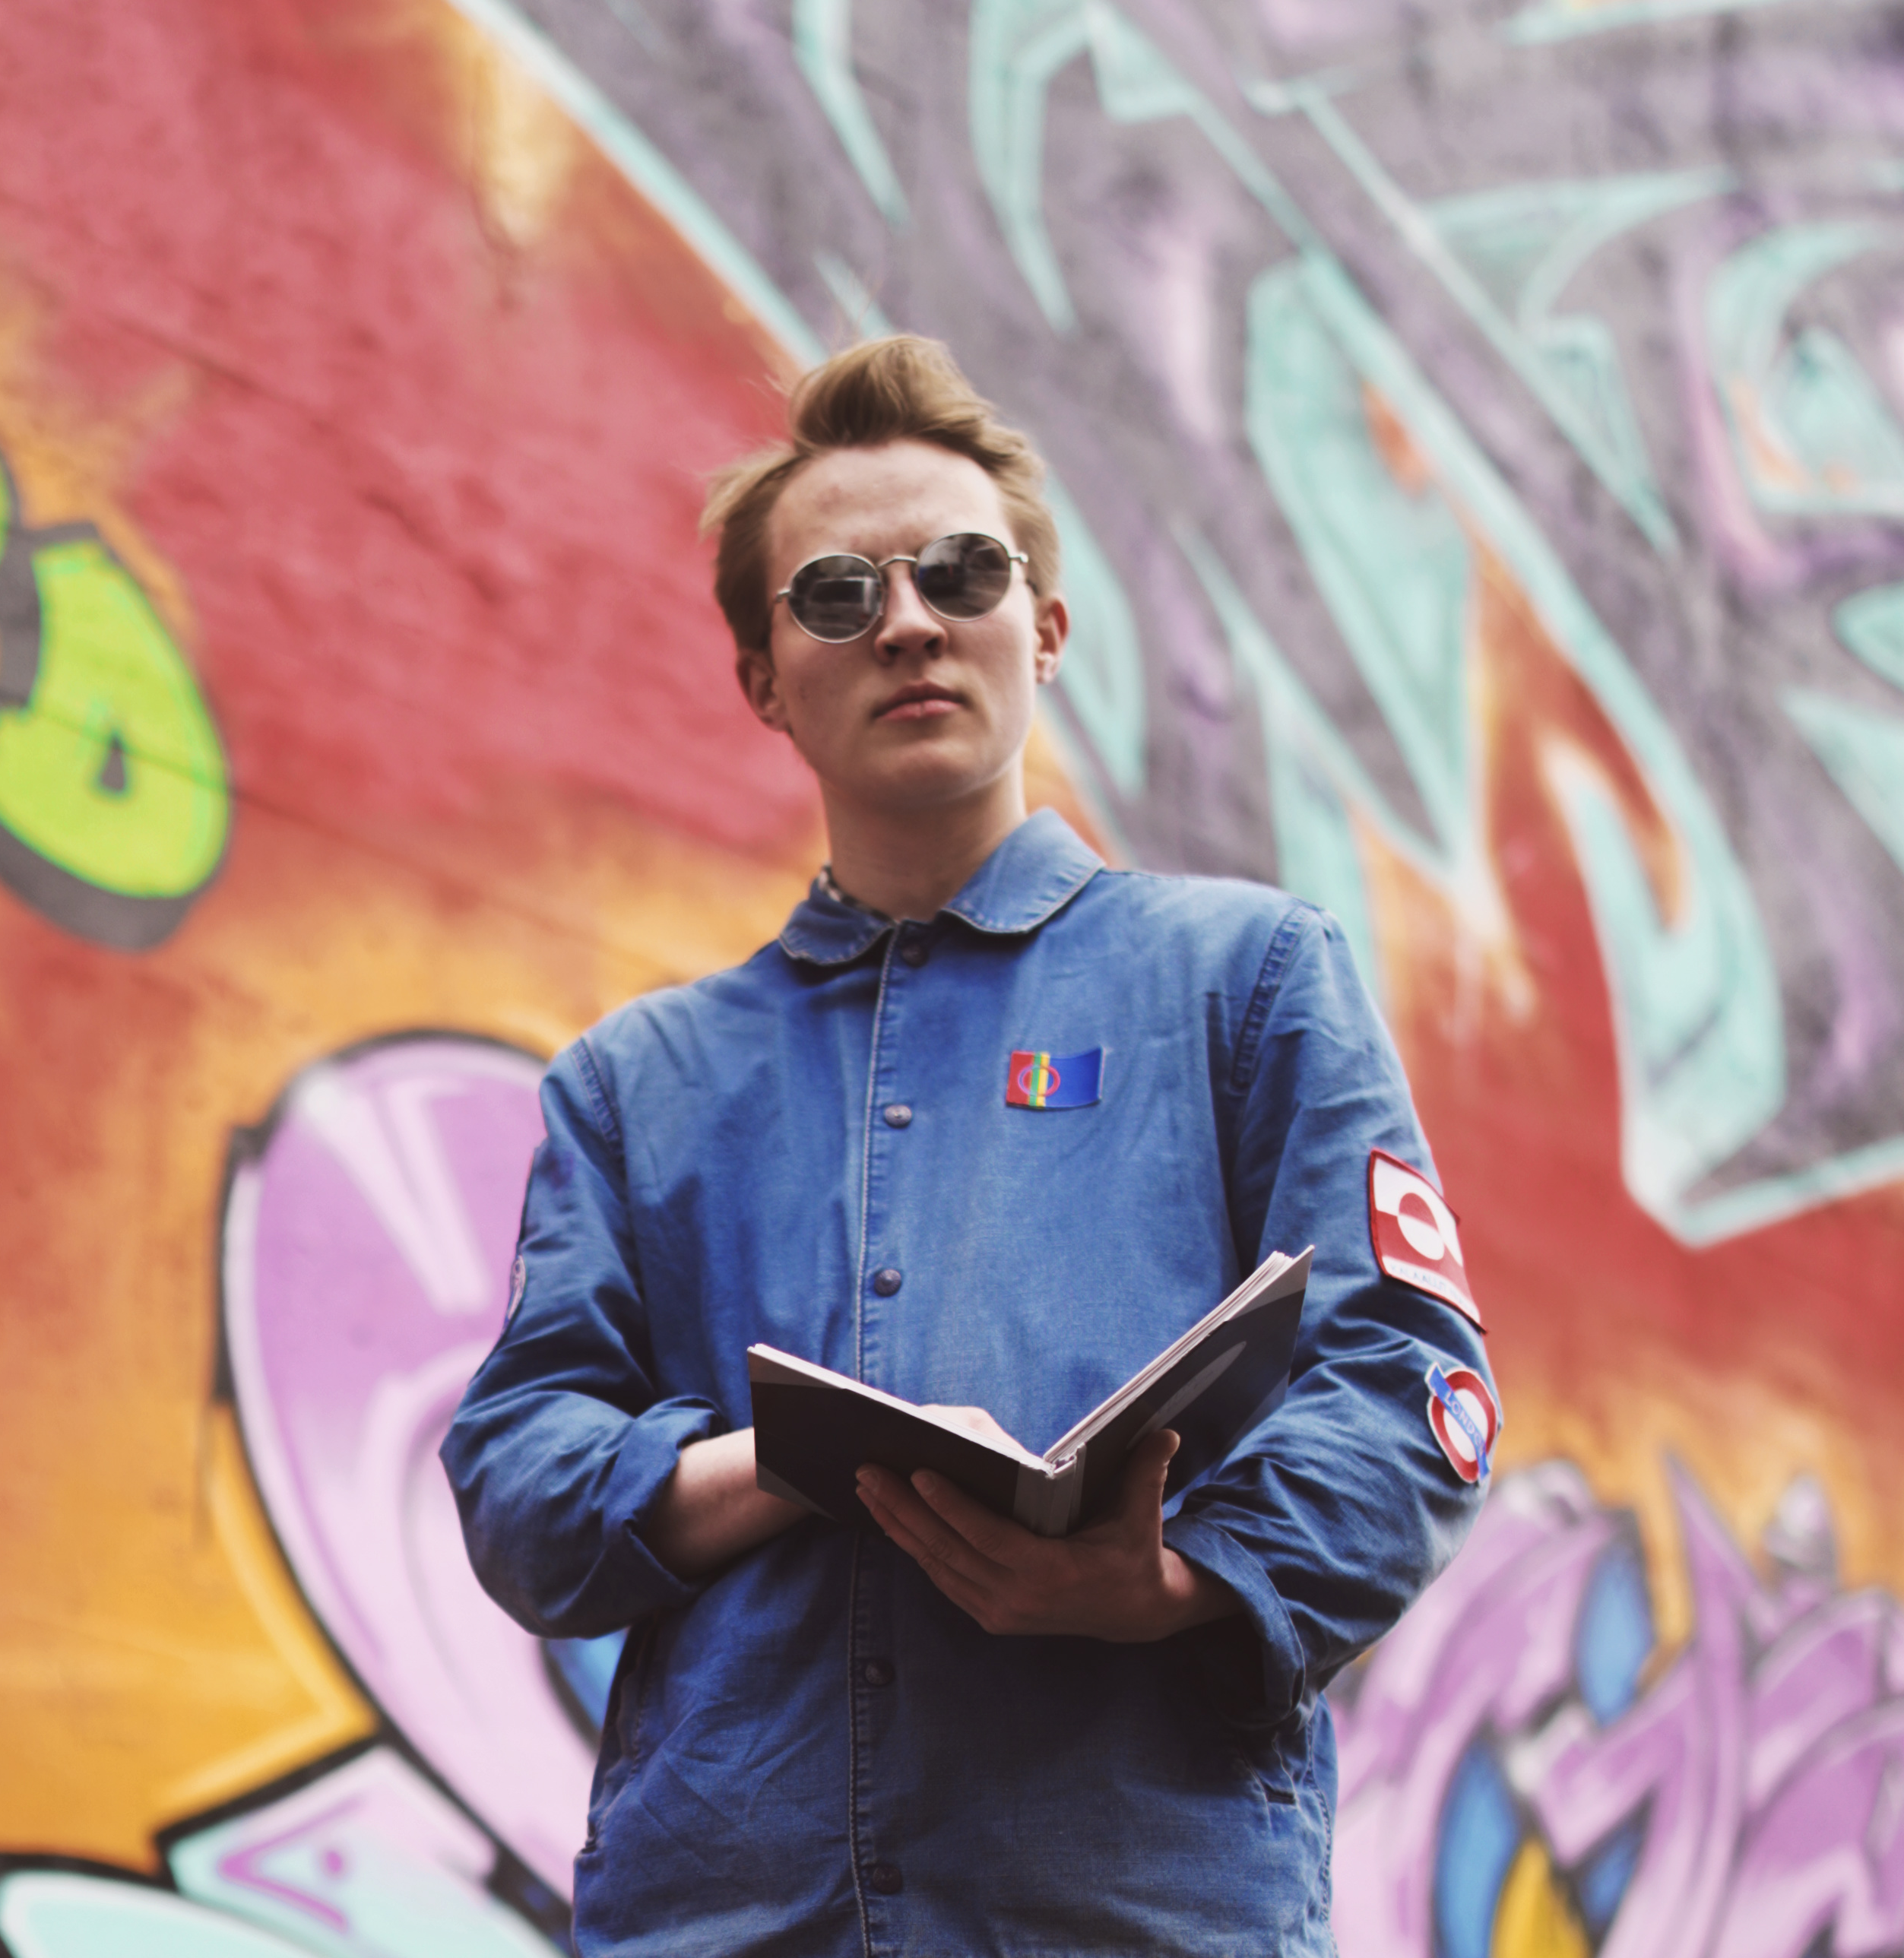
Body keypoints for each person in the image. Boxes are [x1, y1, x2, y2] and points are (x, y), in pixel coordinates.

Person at [442, 336, 1494, 1954]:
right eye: (836, 595)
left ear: (1043, 628)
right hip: (727, 1924)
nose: (909, 622)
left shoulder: (1248, 982)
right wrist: (789, 1458)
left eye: (959, 572)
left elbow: (1414, 1384)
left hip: (1129, 1912)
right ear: (763, 678)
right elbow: (519, 1474)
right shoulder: (633, 1085)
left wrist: (1174, 1582)